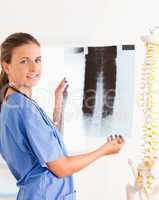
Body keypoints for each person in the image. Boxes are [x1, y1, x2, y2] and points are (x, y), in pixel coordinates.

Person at [0, 33, 125, 200]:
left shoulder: (15, 103)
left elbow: (49, 146)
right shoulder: (22, 109)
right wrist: (104, 150)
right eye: (24, 61)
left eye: (38, 60)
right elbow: (61, 167)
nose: (34, 68)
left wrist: (59, 102)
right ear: (6, 66)